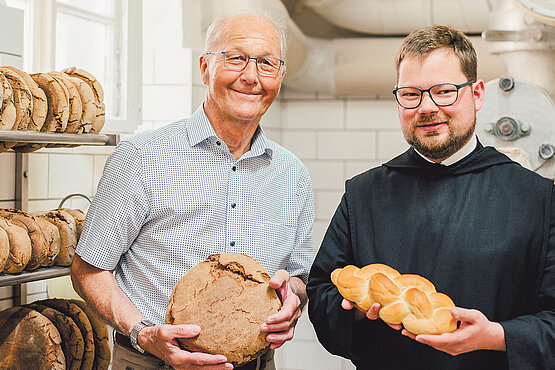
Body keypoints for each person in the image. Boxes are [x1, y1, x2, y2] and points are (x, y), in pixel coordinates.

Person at [70, 13, 314, 370]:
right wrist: (142, 332)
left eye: (266, 63)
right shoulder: (141, 158)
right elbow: (88, 270)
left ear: (279, 76)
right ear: (204, 68)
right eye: (236, 58)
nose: (251, 76)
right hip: (151, 362)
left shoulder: (293, 175)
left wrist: (292, 300)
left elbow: (299, 275)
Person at [306, 25, 554, 370]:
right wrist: (358, 311)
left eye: (444, 91)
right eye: (411, 94)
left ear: (478, 94)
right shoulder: (363, 196)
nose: (427, 107)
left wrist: (497, 336)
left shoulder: (537, 198)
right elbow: (321, 295)